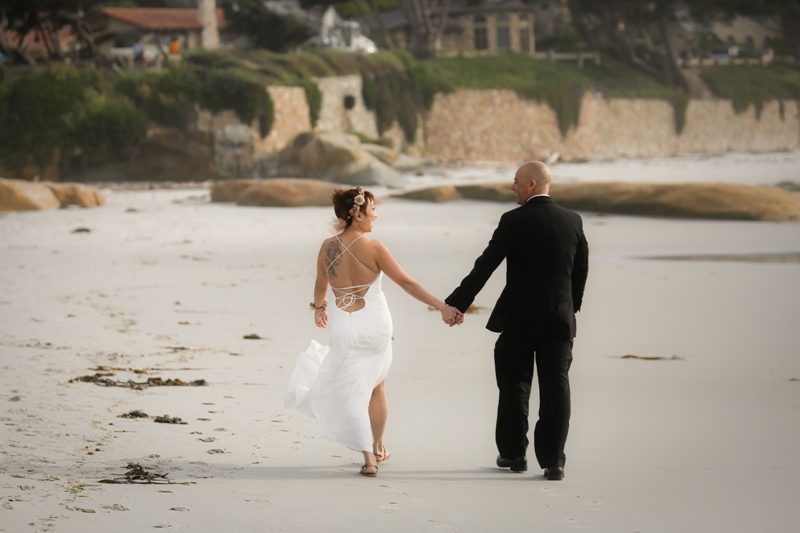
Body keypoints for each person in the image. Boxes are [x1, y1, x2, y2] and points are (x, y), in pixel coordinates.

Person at [286, 187, 462, 477]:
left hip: (343, 326)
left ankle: (369, 457)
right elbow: (407, 283)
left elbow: (321, 285)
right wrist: (441, 306)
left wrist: (318, 308)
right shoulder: (375, 247)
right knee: (376, 386)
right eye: (372, 210)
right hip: (375, 325)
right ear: (356, 213)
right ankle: (377, 448)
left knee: (355, 389)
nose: (376, 215)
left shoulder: (326, 247)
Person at [444, 161, 589, 481]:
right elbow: (580, 271)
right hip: (559, 321)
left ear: (532, 184)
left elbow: (486, 265)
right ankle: (554, 462)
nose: (512, 187)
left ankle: (514, 455)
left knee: (513, 386)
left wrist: (457, 303)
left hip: (519, 320)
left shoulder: (513, 220)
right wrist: (570, 307)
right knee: (557, 389)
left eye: (516, 181)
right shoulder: (573, 220)